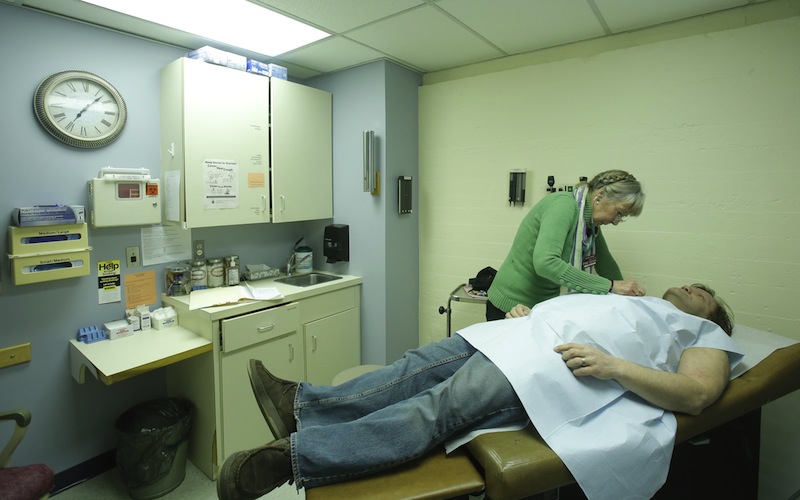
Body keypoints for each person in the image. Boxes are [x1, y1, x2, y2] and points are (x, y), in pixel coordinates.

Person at [217, 284, 739, 500]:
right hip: (518, 334)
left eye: (703, 293)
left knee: (434, 409)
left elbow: (694, 395)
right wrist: (535, 312)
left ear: (711, 315)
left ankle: (290, 459)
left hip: (551, 367)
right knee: (413, 367)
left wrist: (615, 366)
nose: (692, 288)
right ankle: (302, 405)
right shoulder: (634, 296)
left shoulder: (700, 333)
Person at [486, 169, 646, 321]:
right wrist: (610, 286)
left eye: (622, 217)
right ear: (599, 196)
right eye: (618, 213)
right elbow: (546, 263)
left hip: (541, 306)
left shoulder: (589, 224)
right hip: (511, 306)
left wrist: (627, 293)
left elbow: (606, 264)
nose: (616, 222)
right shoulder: (564, 205)